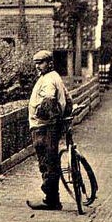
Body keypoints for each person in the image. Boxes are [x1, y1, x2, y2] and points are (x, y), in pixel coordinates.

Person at [26, 49, 71, 210]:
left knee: (46, 161)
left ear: (50, 63)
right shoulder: (54, 77)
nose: (38, 66)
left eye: (41, 63)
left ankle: (51, 199)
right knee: (50, 160)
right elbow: (68, 98)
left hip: (43, 127)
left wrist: (41, 115)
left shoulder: (48, 80)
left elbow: (49, 101)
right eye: (36, 63)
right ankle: (52, 197)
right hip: (50, 126)